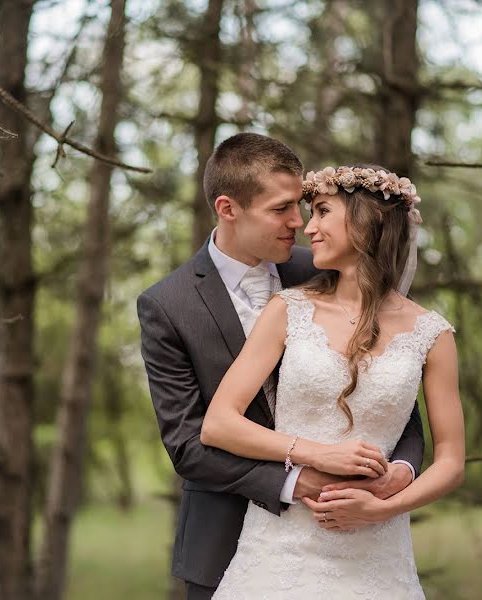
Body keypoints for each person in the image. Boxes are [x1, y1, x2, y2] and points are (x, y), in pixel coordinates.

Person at [137, 134, 427, 600]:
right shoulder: (167, 305)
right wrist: (296, 478)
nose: (299, 222)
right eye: (281, 209)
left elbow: (395, 398)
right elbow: (188, 444)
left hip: (350, 535)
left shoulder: (327, 267)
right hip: (226, 541)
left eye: (302, 206)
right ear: (228, 208)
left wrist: (402, 470)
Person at [200, 165, 465, 599]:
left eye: (323, 211)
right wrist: (319, 455)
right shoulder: (288, 310)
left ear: (368, 221)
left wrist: (381, 508)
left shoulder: (432, 334)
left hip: (378, 558)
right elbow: (219, 424)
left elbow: (452, 461)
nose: (309, 227)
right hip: (280, 549)